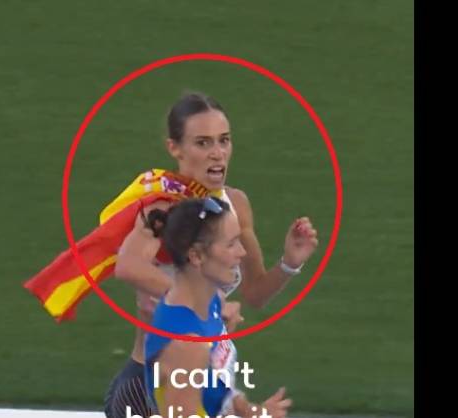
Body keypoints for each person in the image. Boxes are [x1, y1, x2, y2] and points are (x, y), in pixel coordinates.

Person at [104, 93, 318, 418]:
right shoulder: (163, 207)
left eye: (224, 140)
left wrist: (290, 263)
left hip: (207, 370)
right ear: (175, 148)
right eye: (202, 143)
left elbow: (254, 293)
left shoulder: (234, 206)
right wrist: (205, 307)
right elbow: (128, 265)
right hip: (152, 386)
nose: (217, 153)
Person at [144, 197, 292, 417]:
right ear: (196, 255)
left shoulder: (208, 303)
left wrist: (254, 412)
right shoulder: (187, 347)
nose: (242, 252)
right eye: (231, 244)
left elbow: (217, 389)